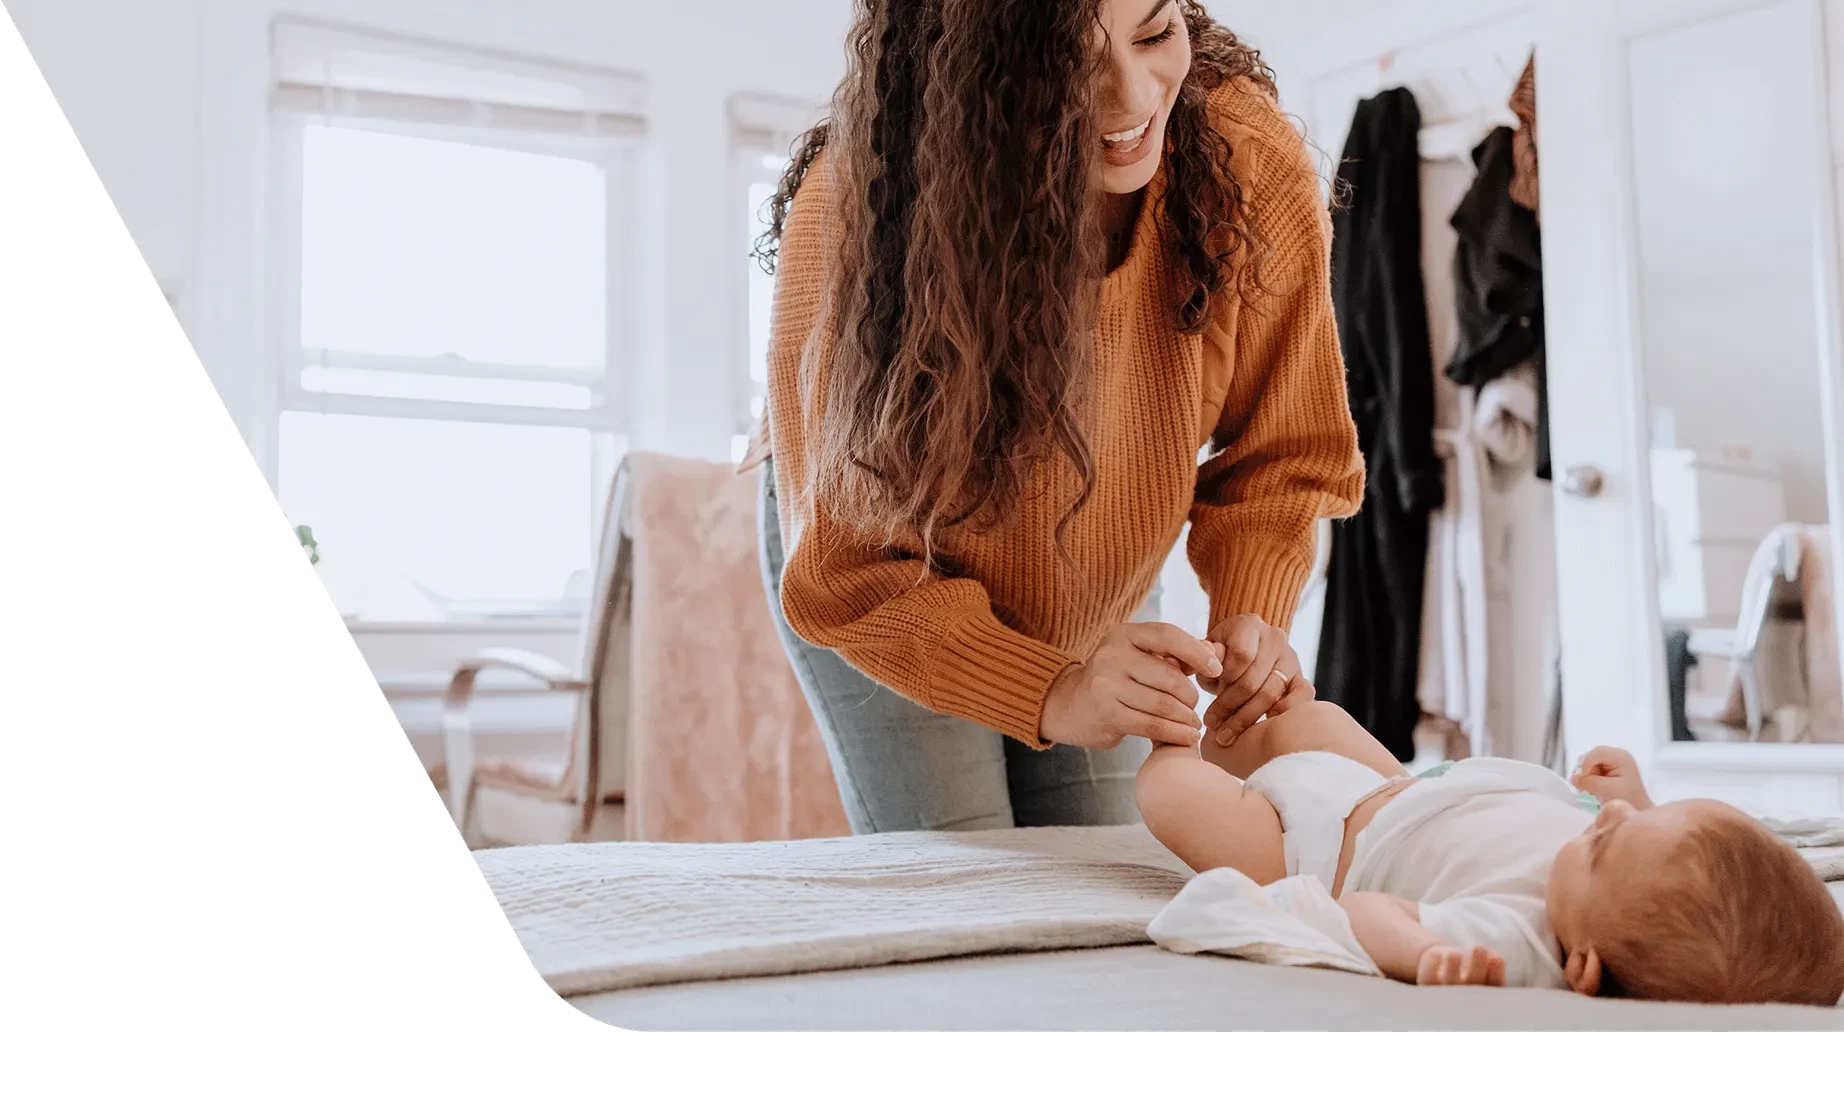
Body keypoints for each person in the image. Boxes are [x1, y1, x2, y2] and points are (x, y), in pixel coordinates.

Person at [739, 0, 1364, 834]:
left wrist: (1250, 612)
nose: (1133, 95)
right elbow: (847, 575)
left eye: (1153, 34)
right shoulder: (859, 210)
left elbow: (1286, 450)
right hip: (889, 567)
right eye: (1068, 65)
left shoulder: (1243, 159)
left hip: (1093, 562)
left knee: (1103, 864)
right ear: (973, 77)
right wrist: (1054, 691)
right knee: (969, 883)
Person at [1135, 702, 1844, 1004]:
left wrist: (1419, 952)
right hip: (1406, 789)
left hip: (1320, 845)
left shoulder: (1515, 942)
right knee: (1307, 719)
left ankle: (1167, 735)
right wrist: (1643, 805)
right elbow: (1662, 856)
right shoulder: (1629, 882)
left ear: (1584, 967)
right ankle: (1228, 733)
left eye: (1606, 844)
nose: (1609, 817)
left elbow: (1365, 913)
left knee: (1166, 792)